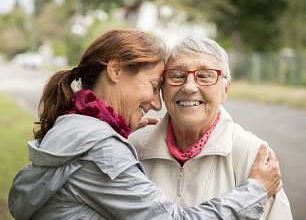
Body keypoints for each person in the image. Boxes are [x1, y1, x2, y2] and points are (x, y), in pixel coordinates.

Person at [8, 29, 281, 220]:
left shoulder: (74, 126)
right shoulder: (103, 149)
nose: (156, 102)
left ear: (226, 87)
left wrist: (117, 138)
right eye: (155, 85)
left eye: (205, 76)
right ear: (115, 70)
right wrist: (255, 190)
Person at [129, 36, 292, 219]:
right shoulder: (133, 146)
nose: (189, 87)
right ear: (163, 89)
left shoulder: (253, 155)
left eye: (204, 75)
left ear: (225, 90)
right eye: (177, 75)